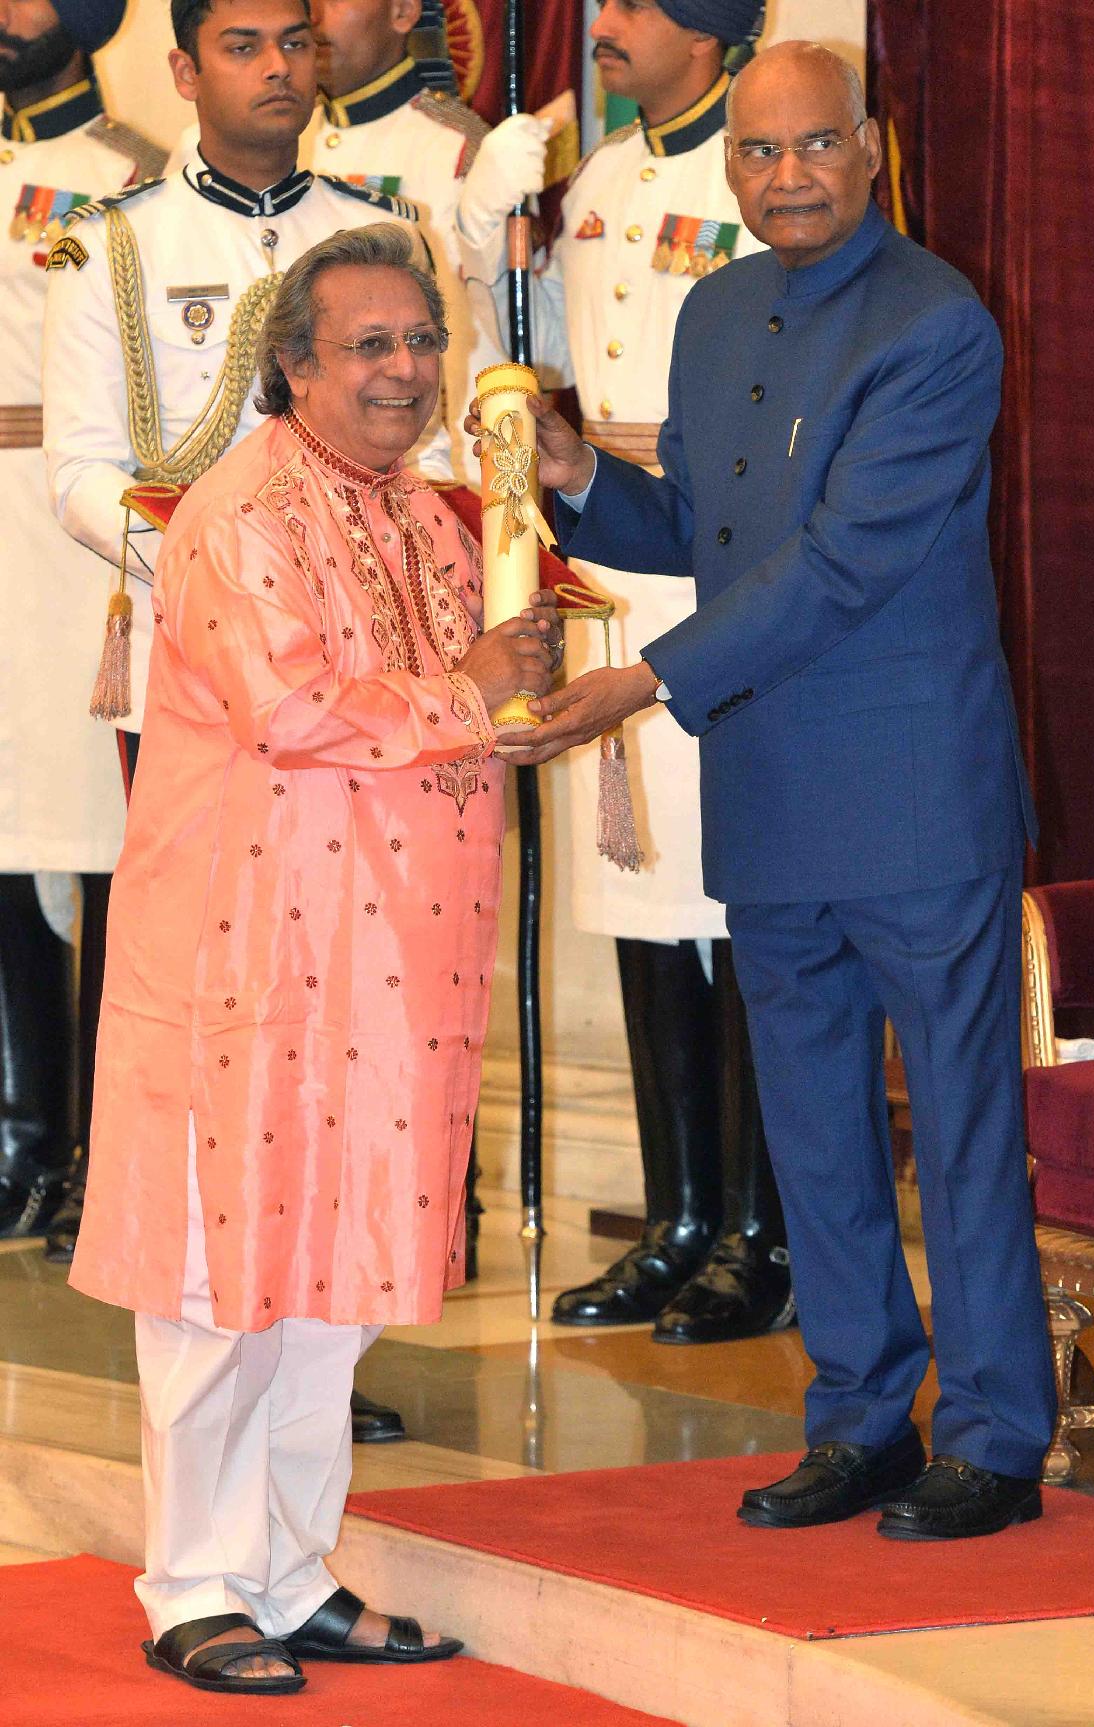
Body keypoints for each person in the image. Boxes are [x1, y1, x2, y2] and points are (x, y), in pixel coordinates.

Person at [493, 41, 1057, 1540]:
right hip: (767, 786)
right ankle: (859, 1418)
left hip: (911, 794)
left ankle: (994, 1436)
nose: (786, 176)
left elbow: (841, 563)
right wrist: (574, 477)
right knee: (809, 1129)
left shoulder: (934, 323)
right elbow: (705, 526)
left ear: (869, 145)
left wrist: (640, 680)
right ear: (729, 165)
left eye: (814, 145)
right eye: (757, 152)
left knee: (959, 1129)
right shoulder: (717, 308)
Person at [68, 221, 560, 1693]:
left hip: (388, 966)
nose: (406, 368)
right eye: (370, 345)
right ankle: (193, 1584)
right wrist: (472, 685)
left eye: (422, 340)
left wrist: (540, 693)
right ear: (293, 367)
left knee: (329, 1287)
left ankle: (287, 1572)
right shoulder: (242, 513)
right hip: (248, 959)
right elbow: (288, 710)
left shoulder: (426, 514)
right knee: (218, 1284)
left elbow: (468, 702)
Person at [41, 0, 440, 1442]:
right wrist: (226, 566)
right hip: (207, 677)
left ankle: (327, 1313)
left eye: (296, 43)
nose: (279, 69)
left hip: (371, 689)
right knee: (227, 1004)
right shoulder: (114, 242)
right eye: (245, 44)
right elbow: (80, 469)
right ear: (184, 67)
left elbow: (425, 447)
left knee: (356, 1003)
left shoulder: (379, 232)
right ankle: (222, 1297)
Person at [456, 0, 792, 1344]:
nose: (607, 22)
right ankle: (680, 1218)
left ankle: (762, 1231)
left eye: (641, 5)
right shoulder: (597, 175)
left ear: (708, 30)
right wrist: (496, 239)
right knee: (643, 908)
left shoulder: (754, 165)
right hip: (607, 554)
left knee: (737, 912)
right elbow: (536, 362)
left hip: (721, 561)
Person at [0, 0, 164, 1244]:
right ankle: (24, 1136)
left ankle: (111, 1147)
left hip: (82, 544)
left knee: (115, 844)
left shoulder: (135, 176)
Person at [309, 0, 499, 481]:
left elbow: (488, 329)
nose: (314, 15)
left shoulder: (458, 146)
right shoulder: (285, 139)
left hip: (431, 465)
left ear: (402, 12)